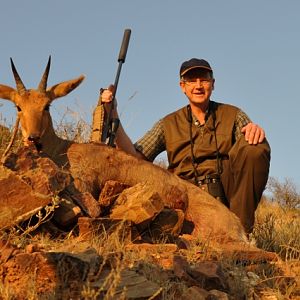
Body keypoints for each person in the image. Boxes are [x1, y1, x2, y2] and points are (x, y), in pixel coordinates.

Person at [100, 58, 271, 233]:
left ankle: (241, 231)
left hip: (226, 194)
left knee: (255, 147)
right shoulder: (167, 124)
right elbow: (134, 156)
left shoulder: (234, 115)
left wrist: (253, 130)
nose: (198, 86)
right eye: (191, 81)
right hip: (187, 197)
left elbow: (249, 148)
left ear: (213, 84)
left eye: (204, 80)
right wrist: (113, 114)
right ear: (183, 86)